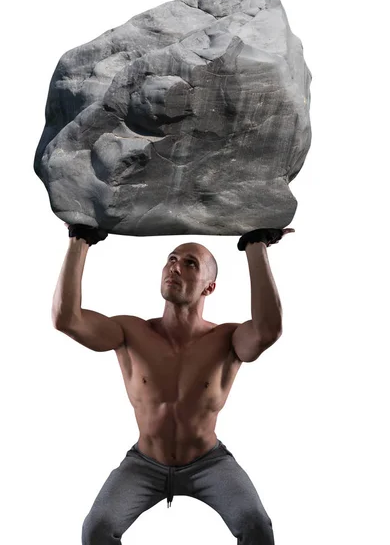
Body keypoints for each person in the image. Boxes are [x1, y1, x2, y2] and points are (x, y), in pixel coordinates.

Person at [52, 223, 294, 545]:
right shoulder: (130, 333)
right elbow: (66, 319)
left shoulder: (227, 339)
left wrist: (255, 246)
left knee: (256, 526)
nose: (175, 266)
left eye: (190, 263)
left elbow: (268, 330)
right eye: (171, 259)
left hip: (208, 462)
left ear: (209, 288)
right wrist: (79, 240)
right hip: (144, 463)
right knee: (96, 528)